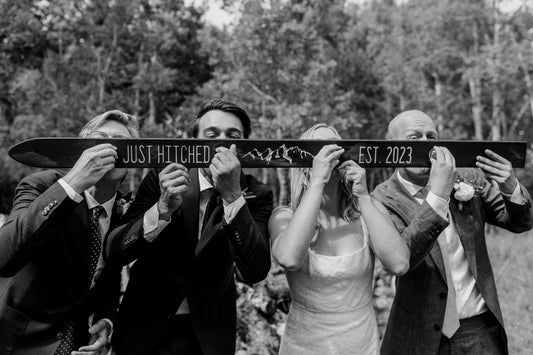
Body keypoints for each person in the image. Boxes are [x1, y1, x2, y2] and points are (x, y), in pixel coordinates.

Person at [106, 99, 274, 355]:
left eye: (232, 136)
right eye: (211, 134)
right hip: (144, 329)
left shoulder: (257, 194)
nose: (219, 142)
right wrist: (161, 209)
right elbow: (117, 250)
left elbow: (254, 271)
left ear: (242, 147)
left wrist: (232, 197)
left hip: (208, 336)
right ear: (193, 142)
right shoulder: (164, 176)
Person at [372, 110, 533, 355]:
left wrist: (510, 186)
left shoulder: (468, 179)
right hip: (418, 333)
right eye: (414, 138)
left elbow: (520, 223)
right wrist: (437, 195)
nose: (425, 145)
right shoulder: (381, 200)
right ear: (392, 146)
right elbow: (403, 258)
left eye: (431, 136)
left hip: (479, 329)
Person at [0, 110, 140, 355]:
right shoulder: (42, 184)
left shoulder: (125, 213)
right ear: (81, 151)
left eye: (121, 142)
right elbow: (5, 256)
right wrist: (74, 182)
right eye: (101, 138)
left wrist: (105, 321)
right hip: (15, 341)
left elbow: (108, 276)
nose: (111, 147)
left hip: (74, 344)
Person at [268, 123, 410, 355]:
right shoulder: (284, 216)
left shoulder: (368, 211)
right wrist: (317, 182)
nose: (331, 155)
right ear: (304, 165)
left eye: (337, 148)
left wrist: (363, 196)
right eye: (319, 150)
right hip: (304, 343)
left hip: (360, 341)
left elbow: (399, 264)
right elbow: (289, 258)